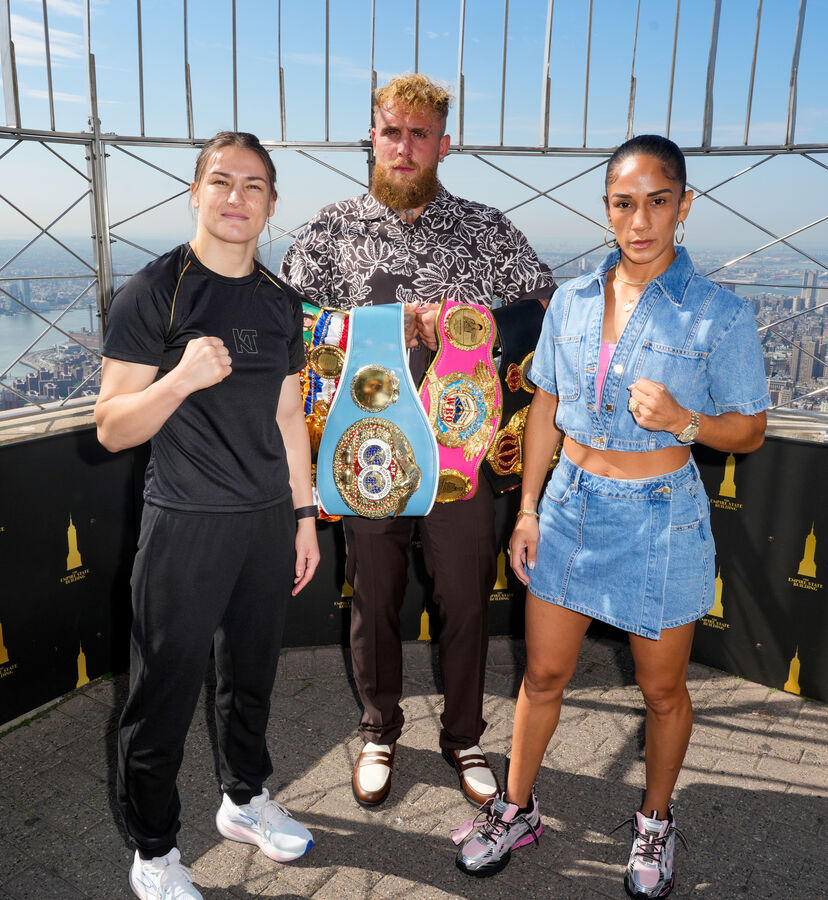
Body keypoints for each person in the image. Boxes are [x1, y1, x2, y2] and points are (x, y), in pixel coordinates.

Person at [453, 135, 770, 898]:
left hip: (662, 515)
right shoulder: (572, 299)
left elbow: (750, 429)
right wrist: (527, 509)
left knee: (662, 691)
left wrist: (686, 421)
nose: (641, 220)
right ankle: (516, 806)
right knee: (542, 674)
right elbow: (547, 411)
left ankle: (655, 820)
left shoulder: (717, 313)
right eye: (624, 204)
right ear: (607, 211)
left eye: (658, 201)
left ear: (684, 206)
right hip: (568, 508)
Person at [282, 73, 555, 809]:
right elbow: (292, 325)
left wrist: (470, 322)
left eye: (420, 133)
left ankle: (465, 736)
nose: (404, 147)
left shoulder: (488, 229)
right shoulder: (327, 232)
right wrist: (385, 327)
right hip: (365, 459)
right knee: (374, 599)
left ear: (443, 142)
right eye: (391, 131)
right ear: (371, 135)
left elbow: (541, 310)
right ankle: (378, 729)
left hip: (460, 462)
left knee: (466, 600)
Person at [95, 131, 319, 900]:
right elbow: (113, 426)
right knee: (161, 692)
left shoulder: (281, 301)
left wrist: (303, 516)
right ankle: (153, 852)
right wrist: (180, 379)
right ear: (195, 192)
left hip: (264, 522)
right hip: (184, 522)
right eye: (221, 181)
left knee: (249, 681)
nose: (236, 197)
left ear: (271, 205)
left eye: (254, 186)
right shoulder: (154, 292)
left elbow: (290, 416)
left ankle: (245, 800)